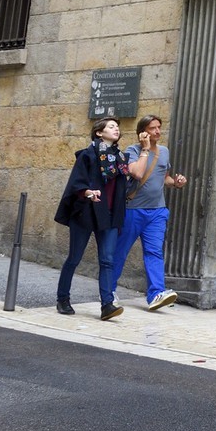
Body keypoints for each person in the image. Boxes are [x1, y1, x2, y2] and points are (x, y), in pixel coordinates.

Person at [54, 118, 134, 320]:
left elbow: (125, 187)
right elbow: (76, 183)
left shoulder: (120, 158)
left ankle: (107, 305)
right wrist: (88, 192)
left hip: (109, 216)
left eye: (117, 126)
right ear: (99, 133)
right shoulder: (88, 155)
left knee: (107, 260)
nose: (116, 128)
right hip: (86, 212)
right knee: (74, 258)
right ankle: (62, 298)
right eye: (111, 126)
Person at [113, 113, 188, 311]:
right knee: (120, 251)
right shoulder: (132, 150)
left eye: (159, 127)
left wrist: (177, 183)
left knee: (154, 252)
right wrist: (145, 149)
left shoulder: (164, 151)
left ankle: (156, 294)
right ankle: (108, 291)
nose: (157, 131)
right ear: (142, 133)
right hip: (133, 211)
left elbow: (165, 178)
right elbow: (137, 173)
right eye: (152, 128)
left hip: (157, 212)